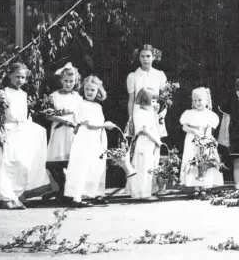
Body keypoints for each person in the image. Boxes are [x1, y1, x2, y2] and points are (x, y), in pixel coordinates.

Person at [0, 63, 50, 210]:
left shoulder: (23, 94)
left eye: (23, 77)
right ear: (9, 75)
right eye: (17, 76)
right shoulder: (3, 93)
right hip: (8, 131)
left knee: (22, 164)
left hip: (22, 132)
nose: (20, 80)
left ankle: (15, 195)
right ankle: (5, 197)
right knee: (6, 164)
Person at [63, 76, 115, 208]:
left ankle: (92, 194)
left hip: (96, 139)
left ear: (98, 91)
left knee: (95, 166)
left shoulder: (98, 106)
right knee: (82, 166)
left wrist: (103, 128)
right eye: (87, 89)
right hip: (85, 139)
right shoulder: (81, 104)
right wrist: (105, 126)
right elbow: (89, 124)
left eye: (92, 90)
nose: (89, 92)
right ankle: (77, 197)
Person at [43, 62, 83, 201]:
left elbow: (80, 114)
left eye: (71, 81)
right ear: (60, 80)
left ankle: (70, 190)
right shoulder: (54, 96)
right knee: (55, 161)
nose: (68, 84)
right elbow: (48, 114)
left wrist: (78, 125)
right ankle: (61, 187)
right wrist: (62, 120)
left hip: (72, 130)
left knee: (71, 160)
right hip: (59, 130)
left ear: (76, 81)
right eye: (65, 81)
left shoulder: (78, 97)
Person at [180, 87, 223, 197]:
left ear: (207, 101)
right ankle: (195, 186)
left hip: (204, 140)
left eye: (200, 100)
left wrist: (206, 140)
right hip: (191, 140)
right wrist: (193, 130)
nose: (197, 103)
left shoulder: (210, 115)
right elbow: (184, 127)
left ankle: (204, 186)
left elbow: (208, 129)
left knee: (204, 161)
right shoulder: (189, 113)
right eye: (194, 100)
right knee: (193, 161)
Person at [126, 87, 162, 200]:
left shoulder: (149, 112)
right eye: (153, 101)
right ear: (145, 100)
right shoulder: (140, 113)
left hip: (148, 143)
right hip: (144, 142)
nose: (155, 103)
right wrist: (157, 141)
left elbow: (155, 124)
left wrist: (155, 112)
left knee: (149, 166)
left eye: (156, 100)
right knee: (144, 166)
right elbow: (146, 130)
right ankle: (143, 193)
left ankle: (146, 190)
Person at [126, 44, 168, 137]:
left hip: (154, 113)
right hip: (138, 114)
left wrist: (163, 111)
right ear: (139, 58)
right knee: (139, 141)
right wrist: (131, 120)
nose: (145, 59)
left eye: (148, 56)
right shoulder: (133, 76)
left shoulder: (159, 75)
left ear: (153, 57)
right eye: (142, 56)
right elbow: (131, 100)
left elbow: (164, 98)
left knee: (154, 142)